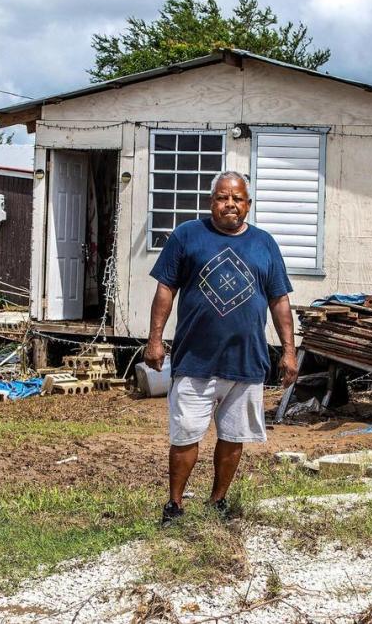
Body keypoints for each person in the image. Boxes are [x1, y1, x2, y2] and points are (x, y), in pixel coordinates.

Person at [145, 170, 298, 526]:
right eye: (222, 198)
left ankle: (218, 501)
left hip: (246, 361)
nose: (230, 204)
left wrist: (289, 350)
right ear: (211, 201)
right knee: (185, 436)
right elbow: (165, 290)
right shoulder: (187, 236)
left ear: (248, 205)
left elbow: (279, 300)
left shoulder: (265, 244)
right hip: (195, 360)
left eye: (237, 199)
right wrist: (155, 339)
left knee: (233, 437)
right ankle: (175, 506)